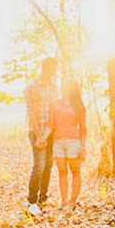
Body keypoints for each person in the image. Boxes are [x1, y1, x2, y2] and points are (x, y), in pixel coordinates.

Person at [24, 57, 58, 212]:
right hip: (37, 131)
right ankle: (32, 201)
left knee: (49, 165)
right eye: (52, 69)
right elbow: (31, 112)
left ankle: (43, 198)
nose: (54, 72)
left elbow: (54, 110)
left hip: (51, 131)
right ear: (45, 68)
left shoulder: (53, 86)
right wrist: (39, 135)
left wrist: (50, 132)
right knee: (39, 165)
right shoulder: (33, 86)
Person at [49, 80, 87, 208]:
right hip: (58, 142)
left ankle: (73, 201)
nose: (64, 88)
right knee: (62, 172)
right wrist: (43, 137)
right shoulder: (56, 104)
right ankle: (64, 201)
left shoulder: (78, 106)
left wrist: (83, 146)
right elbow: (51, 124)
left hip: (73, 141)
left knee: (75, 171)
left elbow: (83, 128)